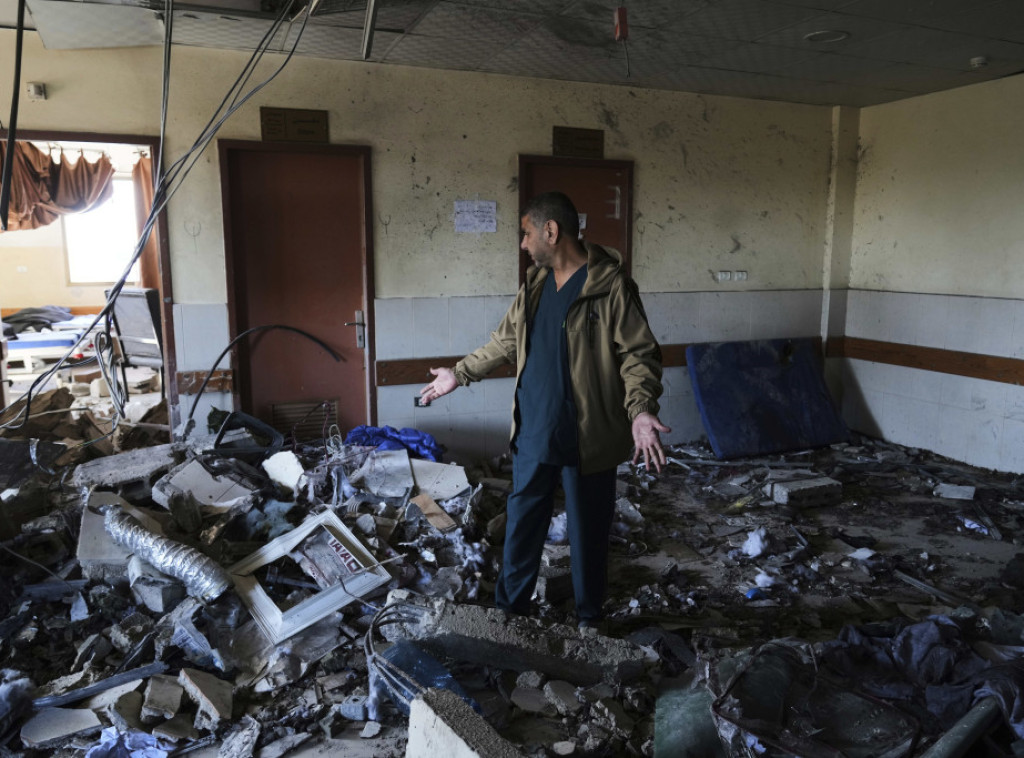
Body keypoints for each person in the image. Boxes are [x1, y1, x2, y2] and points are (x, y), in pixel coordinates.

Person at [420, 191, 669, 626]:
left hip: (587, 436)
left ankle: (590, 621)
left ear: (550, 231)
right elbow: (505, 341)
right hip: (534, 429)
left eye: (526, 233)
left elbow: (638, 354)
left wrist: (641, 409)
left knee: (588, 533)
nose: (523, 244)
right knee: (522, 525)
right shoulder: (535, 286)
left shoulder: (610, 287)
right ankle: (510, 613)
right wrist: (458, 374)